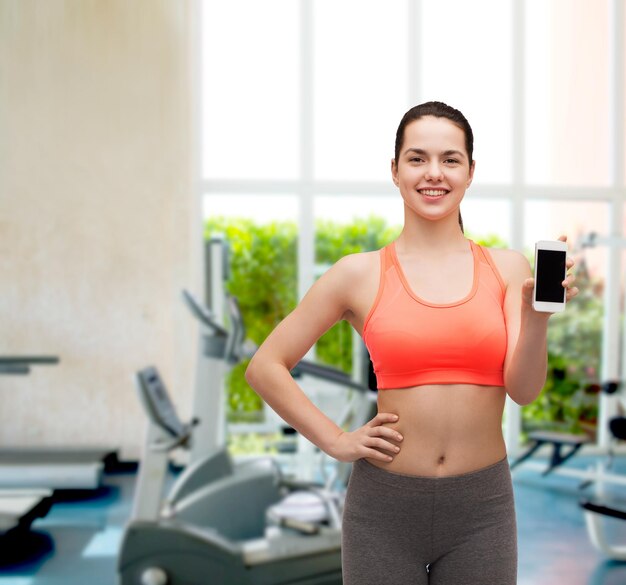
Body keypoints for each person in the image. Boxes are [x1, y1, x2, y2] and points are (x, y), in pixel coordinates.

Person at [245, 101, 578, 585]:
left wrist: (536, 318)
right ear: (395, 170)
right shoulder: (356, 274)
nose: (433, 173)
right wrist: (337, 440)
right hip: (383, 510)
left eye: (450, 159)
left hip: (482, 508)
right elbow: (266, 366)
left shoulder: (507, 269)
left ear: (470, 172)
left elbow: (523, 390)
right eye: (417, 158)